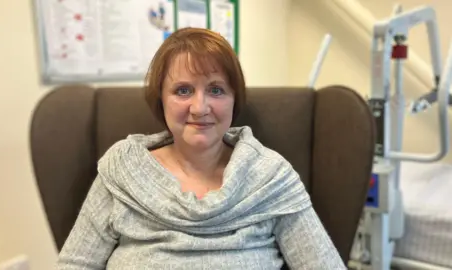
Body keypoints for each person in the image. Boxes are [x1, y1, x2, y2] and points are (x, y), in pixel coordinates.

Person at [56, 27, 346, 269]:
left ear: (235, 99)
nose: (200, 107)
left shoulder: (271, 178)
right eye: (183, 90)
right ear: (161, 100)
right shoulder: (122, 170)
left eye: (216, 90)